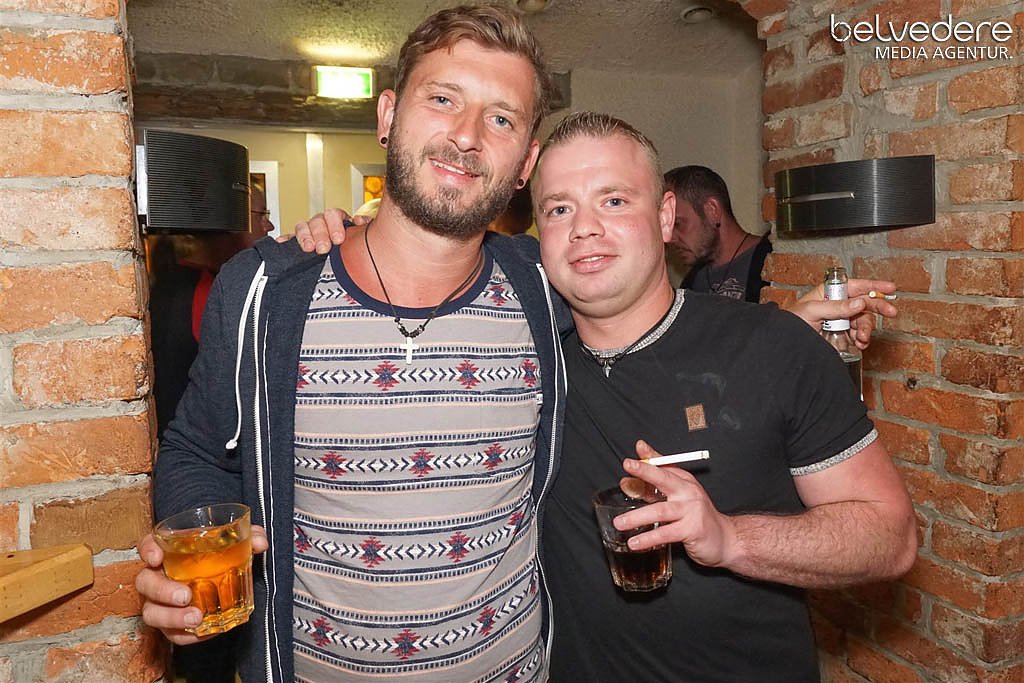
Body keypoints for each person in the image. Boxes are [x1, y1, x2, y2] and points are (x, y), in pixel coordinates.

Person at [136, 6, 568, 682]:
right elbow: (197, 448)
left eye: (501, 119)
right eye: (443, 99)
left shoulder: (545, 289)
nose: (466, 135)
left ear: (525, 165)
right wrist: (192, 557)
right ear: (387, 115)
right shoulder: (265, 292)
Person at [531, 112, 917, 682]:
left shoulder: (774, 346)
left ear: (665, 216)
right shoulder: (525, 363)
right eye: (559, 209)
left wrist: (730, 538)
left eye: (613, 201)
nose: (584, 227)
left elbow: (890, 537)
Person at [149, 177, 276, 439]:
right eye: (261, 215)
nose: (270, 225)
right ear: (230, 222)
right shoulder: (204, 291)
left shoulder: (173, 281)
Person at [667, 164, 771, 302]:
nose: (670, 238)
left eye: (678, 224)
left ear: (712, 211)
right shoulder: (692, 281)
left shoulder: (770, 262)